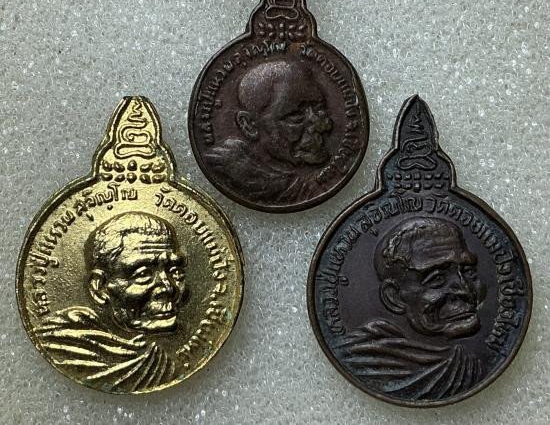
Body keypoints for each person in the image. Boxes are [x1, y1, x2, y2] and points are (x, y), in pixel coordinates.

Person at [35, 212, 188, 392]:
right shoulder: (62, 344)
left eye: (175, 272)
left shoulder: (161, 361)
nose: (169, 288)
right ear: (99, 289)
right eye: (143, 274)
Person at [339, 217, 486, 401]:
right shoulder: (361, 358)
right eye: (437, 279)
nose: (465, 290)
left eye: (468, 272)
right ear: (394, 297)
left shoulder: (469, 364)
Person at [205, 59, 333, 203]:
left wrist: (275, 185)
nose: (323, 126)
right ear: (249, 125)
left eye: (319, 109)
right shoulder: (222, 166)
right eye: (295, 116)